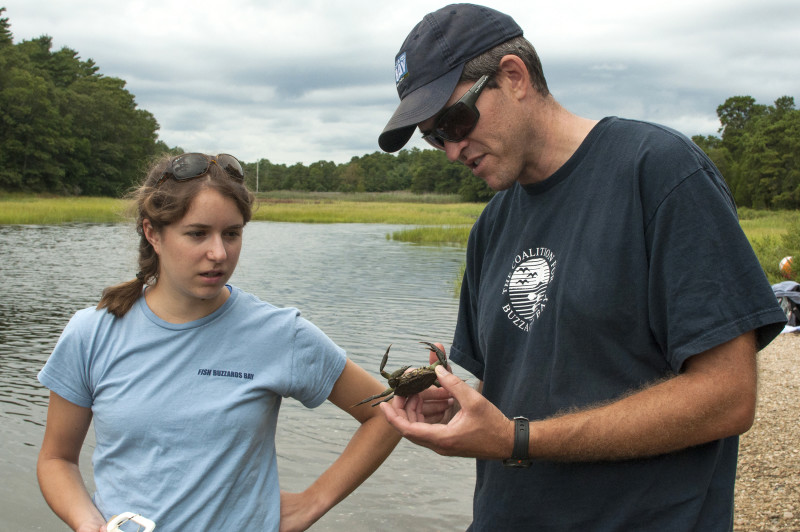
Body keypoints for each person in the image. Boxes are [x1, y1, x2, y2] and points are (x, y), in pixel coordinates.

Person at [376, 4, 787, 531]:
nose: (452, 149)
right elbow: (523, 394)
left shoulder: (659, 172)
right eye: (434, 137)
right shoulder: (492, 225)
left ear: (514, 76)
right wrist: (463, 413)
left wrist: (518, 440)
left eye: (455, 120)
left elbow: (728, 397)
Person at [36, 153, 400, 532]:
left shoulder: (279, 333)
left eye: (232, 233)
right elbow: (57, 459)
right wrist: (87, 523)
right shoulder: (92, 332)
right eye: (197, 234)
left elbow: (385, 414)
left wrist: (313, 501)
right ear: (152, 233)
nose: (219, 254)